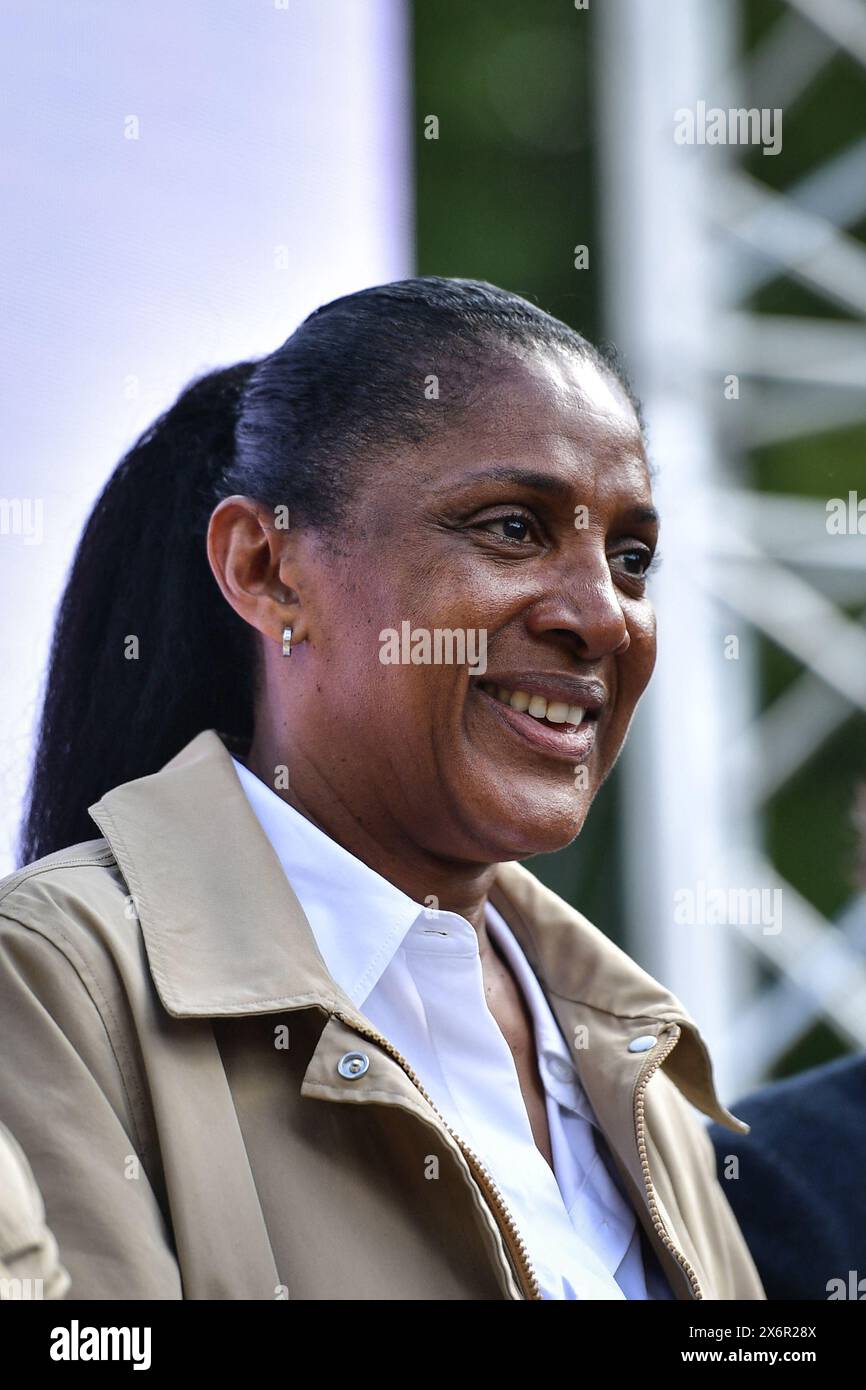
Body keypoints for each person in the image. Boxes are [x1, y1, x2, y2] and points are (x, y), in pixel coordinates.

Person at [0, 276, 765, 1300]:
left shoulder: (634, 1062)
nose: (602, 617)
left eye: (631, 558)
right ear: (267, 569)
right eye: (512, 527)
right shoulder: (53, 983)